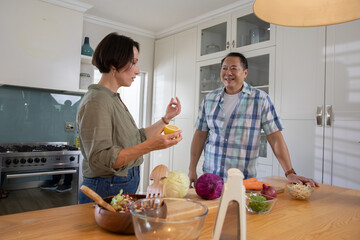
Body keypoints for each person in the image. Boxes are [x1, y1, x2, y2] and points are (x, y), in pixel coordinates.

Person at [77, 32, 182, 204]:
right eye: (133, 62)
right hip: (105, 187)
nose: (138, 70)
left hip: (116, 186)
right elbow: (101, 160)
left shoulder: (112, 97)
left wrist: (165, 119)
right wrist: (150, 146)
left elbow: (136, 137)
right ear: (113, 64)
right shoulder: (97, 101)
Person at [188, 52, 319, 187]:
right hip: (211, 178)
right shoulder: (209, 99)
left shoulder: (260, 99)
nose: (228, 72)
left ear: (245, 73)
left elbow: (275, 138)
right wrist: (192, 169)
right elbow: (200, 136)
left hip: (243, 181)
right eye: (224, 68)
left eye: (233, 68)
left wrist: (289, 172)